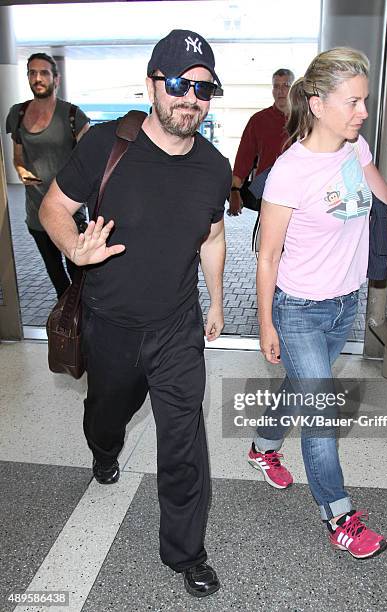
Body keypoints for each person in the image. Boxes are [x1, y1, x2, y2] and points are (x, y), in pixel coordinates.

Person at [251, 48, 387, 559]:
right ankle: (339, 515)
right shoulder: (289, 172)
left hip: (342, 305)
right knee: (321, 411)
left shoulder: (356, 149)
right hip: (299, 308)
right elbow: (268, 256)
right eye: (352, 102)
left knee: (302, 387)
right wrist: (265, 323)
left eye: (363, 102)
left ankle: (262, 447)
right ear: (317, 102)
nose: (362, 113)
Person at [39, 30, 231, 598]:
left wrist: (217, 300)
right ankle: (104, 447)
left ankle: (185, 550)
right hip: (111, 324)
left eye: (203, 88)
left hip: (176, 327)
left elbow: (214, 236)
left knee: (184, 439)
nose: (190, 98)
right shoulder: (105, 145)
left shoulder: (214, 168)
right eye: (178, 84)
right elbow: (54, 206)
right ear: (153, 84)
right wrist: (75, 248)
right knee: (107, 414)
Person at [6, 52, 89, 298]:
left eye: (44, 73)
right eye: (32, 72)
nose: (37, 78)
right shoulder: (17, 114)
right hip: (36, 217)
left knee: (79, 277)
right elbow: (18, 158)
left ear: (56, 79)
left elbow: (89, 163)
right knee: (58, 281)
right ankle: (69, 331)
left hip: (70, 215)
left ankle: (86, 328)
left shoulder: (73, 115)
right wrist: (23, 174)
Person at [228, 68, 294, 216]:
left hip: (300, 196)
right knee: (265, 238)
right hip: (267, 195)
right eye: (276, 86)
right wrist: (234, 190)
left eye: (286, 85)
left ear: (293, 88)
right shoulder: (259, 120)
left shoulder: (306, 120)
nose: (280, 91)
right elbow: (244, 158)